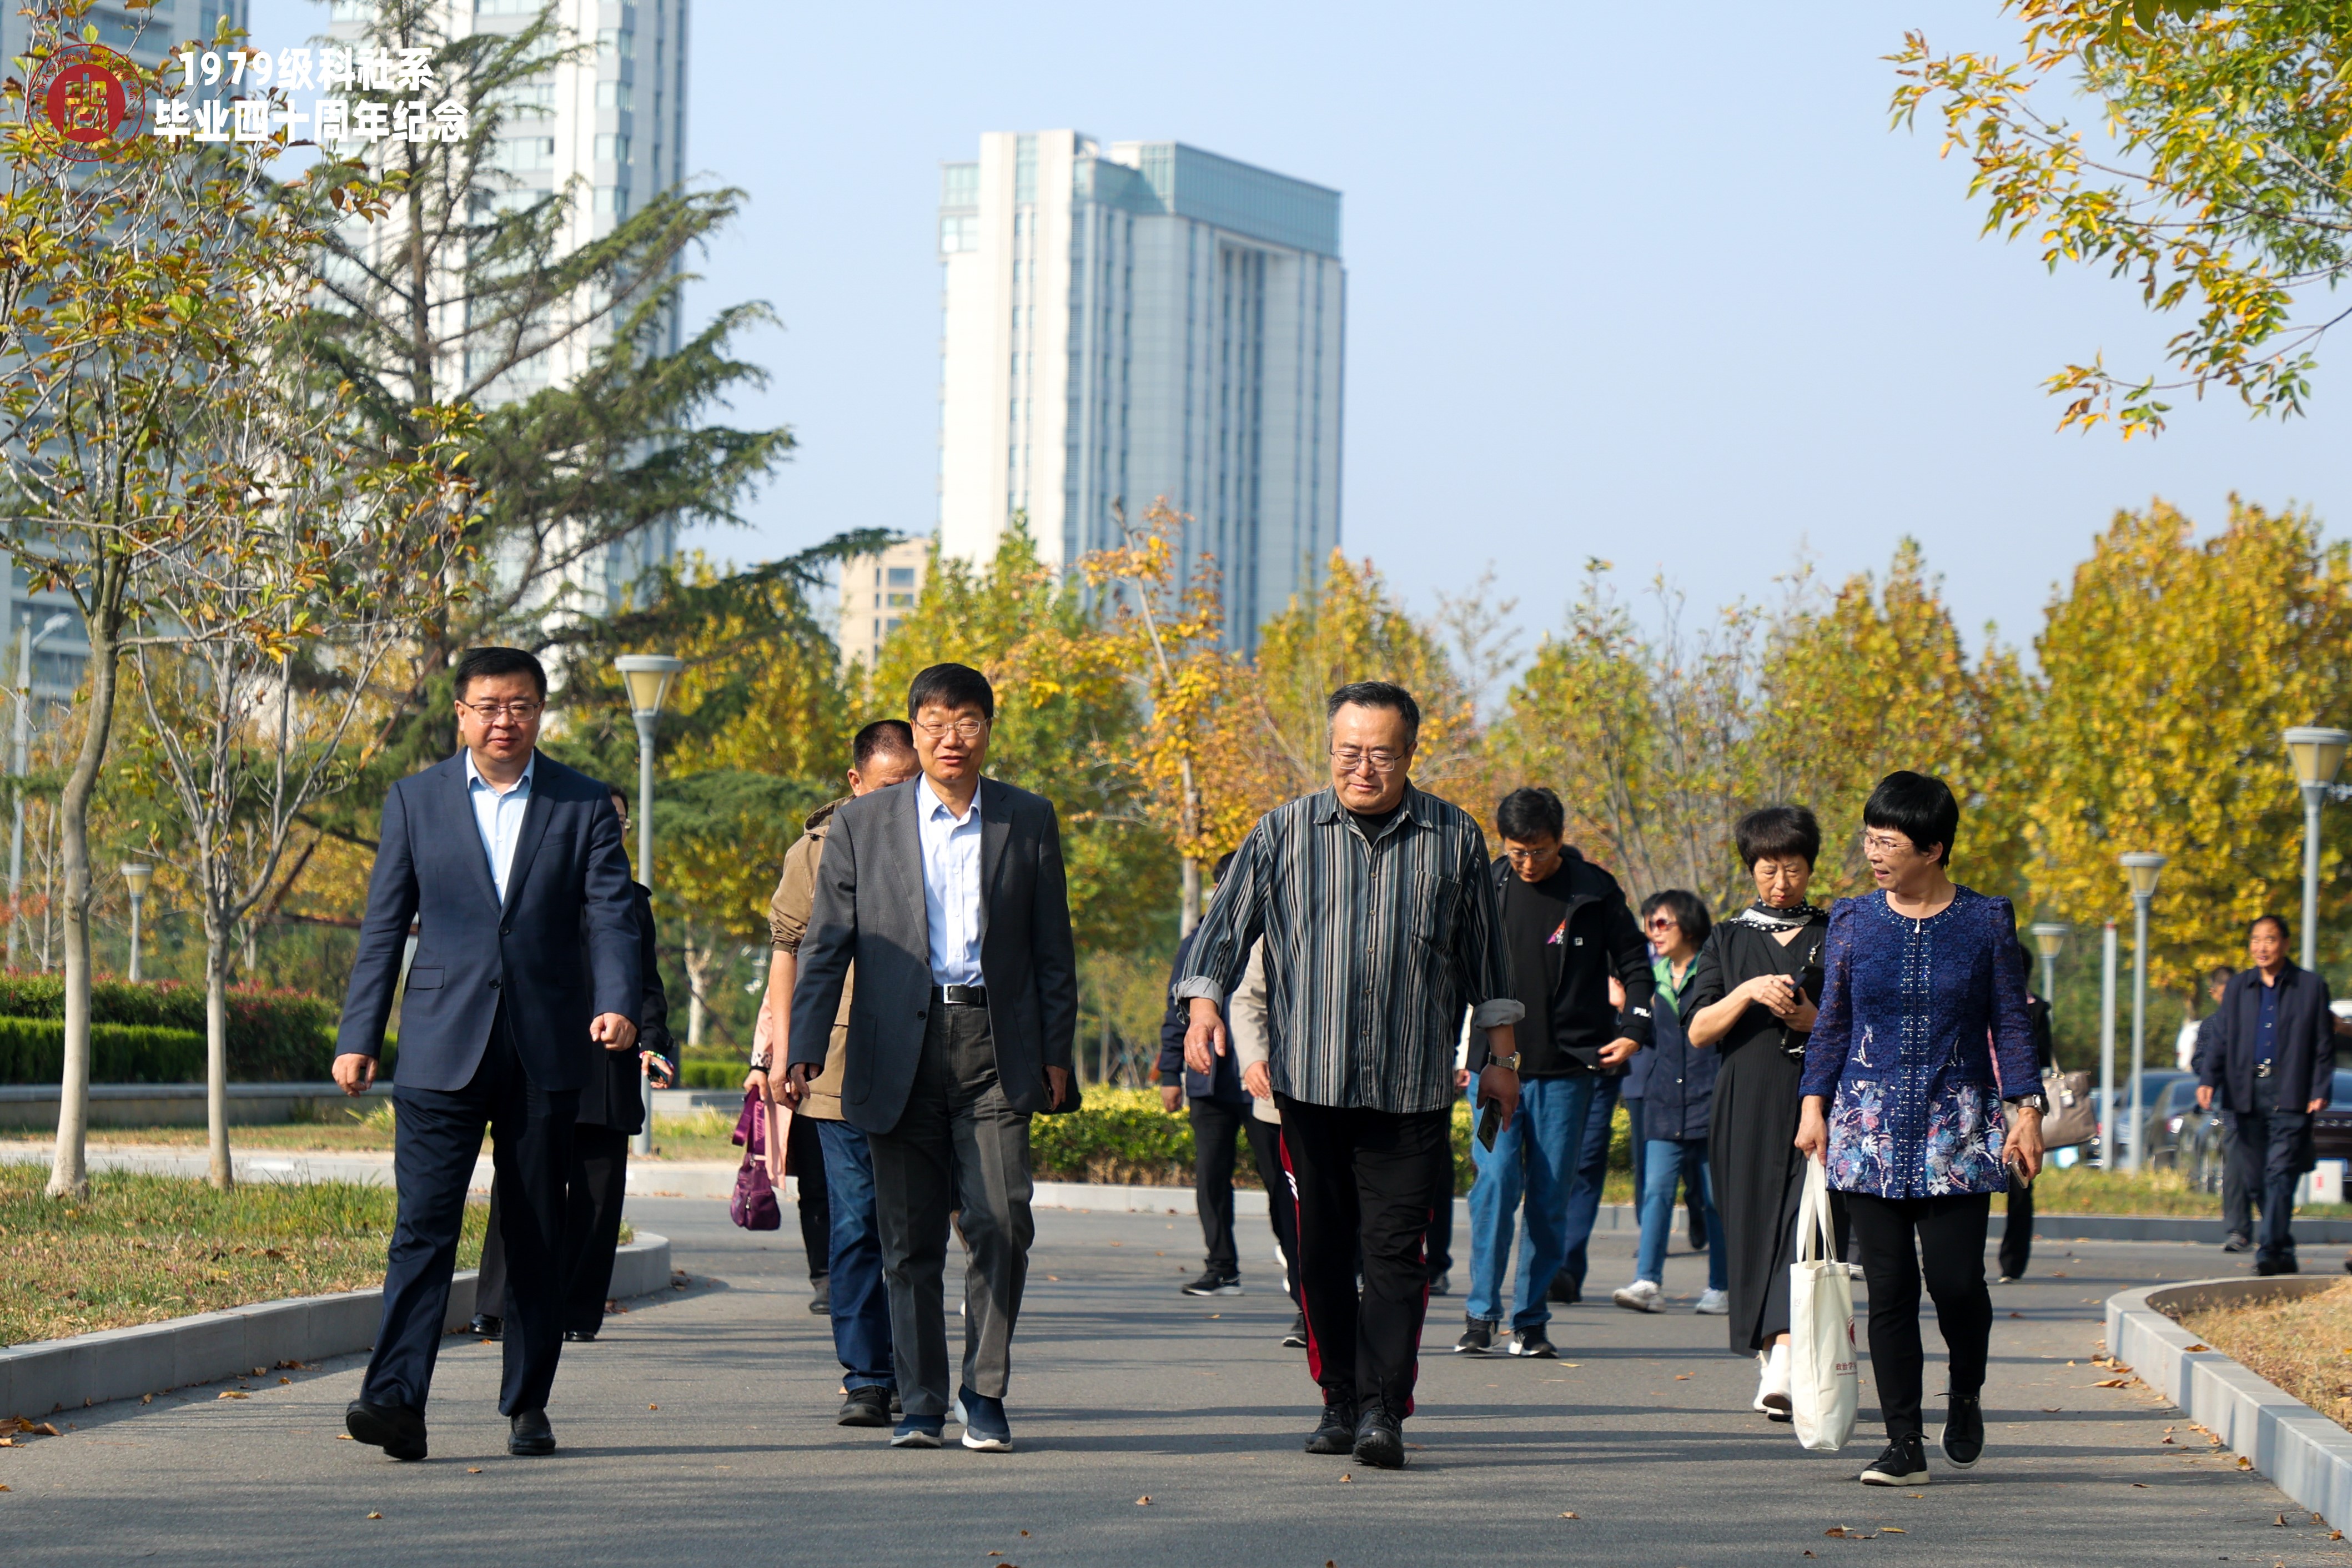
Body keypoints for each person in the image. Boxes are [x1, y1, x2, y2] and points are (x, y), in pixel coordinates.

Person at [1175, 681, 1522, 1470]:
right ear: (1329, 748)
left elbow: (1487, 958)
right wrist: (1202, 1007)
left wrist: (1501, 1061)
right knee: (1324, 1249)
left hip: (1412, 1086)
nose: (1363, 768)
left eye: (1381, 755)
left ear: (1410, 753)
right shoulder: (1283, 832)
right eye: (1348, 752)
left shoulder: (1454, 837)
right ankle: (1338, 1397)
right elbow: (1224, 929)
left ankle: (1383, 1409)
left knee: (1397, 1253)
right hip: (1311, 1084)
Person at [332, 646, 641, 1462]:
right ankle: (395, 1399)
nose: (506, 721)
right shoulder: (416, 799)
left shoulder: (581, 802)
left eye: (522, 706)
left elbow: (612, 914)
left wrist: (618, 1002)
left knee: (536, 1227)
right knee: (423, 1225)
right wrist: (360, 1035)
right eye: (490, 707)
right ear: (462, 714)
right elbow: (384, 925)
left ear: (540, 712)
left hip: (546, 1046)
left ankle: (528, 1402)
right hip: (441, 1045)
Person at [787, 664, 1078, 1453]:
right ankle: (919, 1402)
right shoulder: (863, 823)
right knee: (908, 1238)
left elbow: (1052, 947)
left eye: (968, 721)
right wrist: (803, 1046)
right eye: (936, 723)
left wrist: (1056, 1050)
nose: (953, 738)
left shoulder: (1027, 817)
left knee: (1001, 1221)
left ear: (988, 729)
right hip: (896, 1047)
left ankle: (984, 1392)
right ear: (915, 730)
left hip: (995, 1044)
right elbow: (826, 944)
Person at [1797, 771, 2043, 1488]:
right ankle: (1903, 1441)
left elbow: (2011, 1021)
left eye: (1889, 842)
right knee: (1890, 1288)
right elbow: (1833, 1023)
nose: (1874, 853)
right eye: (1870, 839)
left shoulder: (1986, 921)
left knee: (1958, 1283)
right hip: (1866, 1128)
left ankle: (1964, 1391)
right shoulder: (1852, 920)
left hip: (1956, 1128)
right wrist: (1813, 1105)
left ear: (1933, 849)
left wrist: (2026, 1111)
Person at [758, 720, 921, 1425]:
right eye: (889, 785)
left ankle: (916, 1372)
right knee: (855, 1223)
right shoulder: (816, 851)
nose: (903, 797)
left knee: (911, 1228)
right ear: (856, 782)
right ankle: (866, 1377)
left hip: (926, 1061)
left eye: (913, 783)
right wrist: (784, 1051)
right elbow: (787, 949)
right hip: (840, 1063)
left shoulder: (946, 842)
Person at [473, 785, 676, 1344]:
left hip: (608, 1066)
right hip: (539, 1057)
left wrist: (653, 1043)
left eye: (619, 821)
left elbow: (648, 986)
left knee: (597, 1197)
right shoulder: (534, 889)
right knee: (521, 1185)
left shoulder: (633, 902)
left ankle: (576, 1311)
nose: (610, 828)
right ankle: (497, 1303)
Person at [1456, 787, 1650, 1358]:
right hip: (1495, 1071)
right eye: (1516, 851)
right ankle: (1480, 1313)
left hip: (1567, 1073)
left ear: (1560, 841)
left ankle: (1531, 1319)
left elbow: (1635, 962)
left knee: (1548, 1197)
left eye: (1538, 851)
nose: (1527, 863)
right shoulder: (1486, 886)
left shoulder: (1593, 889)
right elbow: (1452, 967)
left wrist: (1634, 1029)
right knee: (1494, 1184)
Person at [1683, 804, 1831, 1420]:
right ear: (1751, 869)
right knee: (1748, 1229)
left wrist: (1812, 1019)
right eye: (1768, 870)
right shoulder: (1727, 938)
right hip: (1743, 1101)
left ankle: (1788, 1357)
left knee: (1804, 1226)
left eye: (1792, 868)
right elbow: (1698, 1030)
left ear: (1810, 867)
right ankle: (1773, 1353)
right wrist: (1746, 991)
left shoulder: (1837, 932)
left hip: (1815, 1100)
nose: (1781, 882)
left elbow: (1860, 1026)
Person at [1157, 852, 1295, 1306]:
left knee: (1280, 1179)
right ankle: (1221, 1267)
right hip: (1210, 1081)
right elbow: (1177, 1011)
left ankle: (1298, 1262)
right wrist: (1171, 1072)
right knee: (1211, 1178)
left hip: (1264, 1082)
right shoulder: (1197, 944)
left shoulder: (1282, 935)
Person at [2195, 914, 2336, 1276]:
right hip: (2247, 1091)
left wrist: (2320, 1088)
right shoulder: (2239, 987)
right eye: (2256, 940)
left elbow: (2323, 1043)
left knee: (2281, 1172)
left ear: (2285, 944)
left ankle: (2270, 1251)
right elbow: (2222, 1038)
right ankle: (2283, 1247)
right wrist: (2209, 1079)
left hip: (2292, 1091)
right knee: (2256, 1178)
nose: (2262, 947)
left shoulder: (2310, 987)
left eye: (2270, 940)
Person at [1612, 890, 1728, 1315]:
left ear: (1689, 925)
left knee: (1716, 1201)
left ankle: (1722, 1287)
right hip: (1664, 1101)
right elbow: (1649, 1038)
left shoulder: (1717, 973)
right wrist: (1626, 1010)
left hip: (1711, 1100)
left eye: (1662, 923)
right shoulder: (1651, 977)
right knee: (1656, 1192)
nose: (1654, 933)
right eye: (1649, 925)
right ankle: (1647, 1282)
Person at [1219, 936, 1310, 1346]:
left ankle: (1346, 1295)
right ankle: (1308, 1307)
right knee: (1289, 1207)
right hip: (1282, 1094)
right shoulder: (1276, 928)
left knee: (1351, 1208)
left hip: (1363, 1098)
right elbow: (1248, 1000)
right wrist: (1255, 1058)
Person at [1995, 941, 2056, 1284]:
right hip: (1979, 1101)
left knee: (2020, 1183)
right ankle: (1982, 1261)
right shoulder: (1976, 1002)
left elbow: (2044, 1058)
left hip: (2019, 1107)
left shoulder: (2036, 1009)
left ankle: (2012, 1264)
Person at [2185, 966, 2247, 1250]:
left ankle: (2274, 1230)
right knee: (2235, 1169)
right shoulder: (2211, 1025)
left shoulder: (2260, 1020)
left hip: (2267, 1106)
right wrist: (2216, 1074)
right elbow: (2199, 1062)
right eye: (2226, 993)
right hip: (2233, 1107)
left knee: (2268, 1171)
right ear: (2213, 994)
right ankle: (2238, 1230)